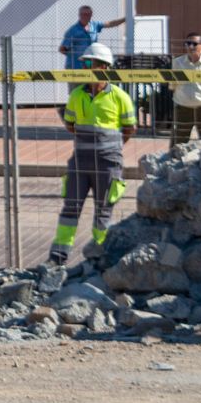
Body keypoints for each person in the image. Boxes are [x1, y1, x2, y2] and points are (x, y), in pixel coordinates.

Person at [49, 42, 137, 265]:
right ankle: (58, 256)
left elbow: (130, 128)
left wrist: (112, 147)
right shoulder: (77, 95)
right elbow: (70, 123)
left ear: (104, 67)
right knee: (70, 208)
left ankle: (99, 257)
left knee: (103, 211)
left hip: (108, 163)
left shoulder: (119, 97)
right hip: (80, 161)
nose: (86, 67)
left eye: (90, 63)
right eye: (85, 63)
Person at [58, 5, 126, 69]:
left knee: (93, 81)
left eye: (88, 14)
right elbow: (62, 49)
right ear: (79, 15)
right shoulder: (72, 31)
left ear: (91, 15)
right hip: (75, 66)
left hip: (90, 64)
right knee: (80, 82)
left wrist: (125, 19)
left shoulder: (94, 25)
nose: (85, 16)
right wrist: (76, 56)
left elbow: (110, 24)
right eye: (83, 14)